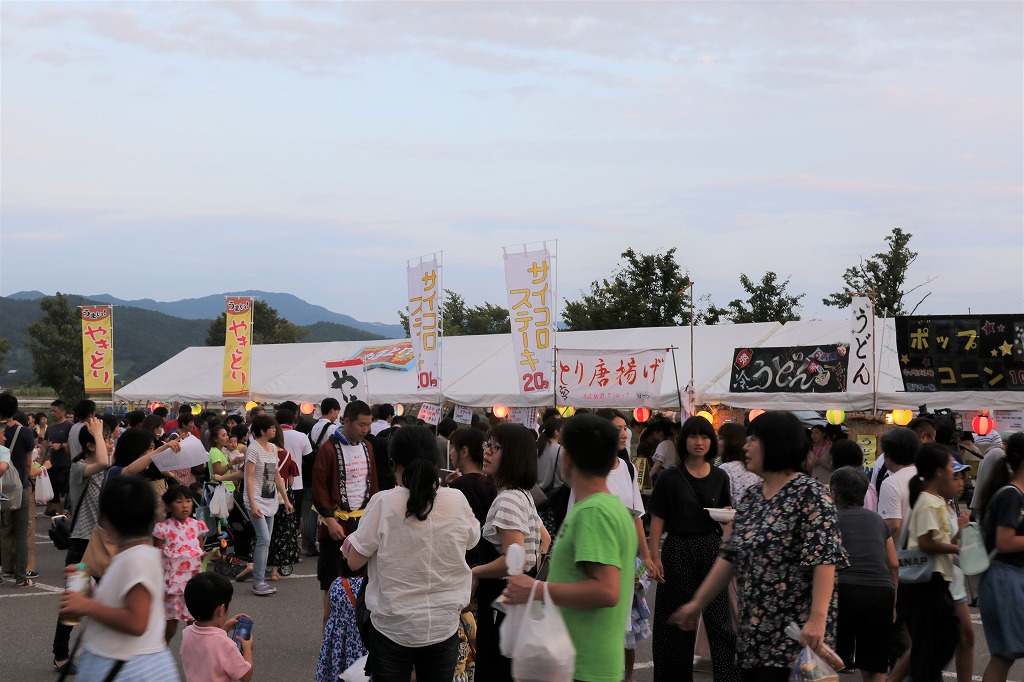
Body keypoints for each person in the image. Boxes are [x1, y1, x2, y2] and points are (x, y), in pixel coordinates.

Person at [673, 411, 847, 682]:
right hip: (755, 638)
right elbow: (730, 556)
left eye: (753, 439)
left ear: (775, 444)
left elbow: (824, 559)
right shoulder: (754, 497)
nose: (745, 446)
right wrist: (697, 603)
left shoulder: (809, 495)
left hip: (795, 640)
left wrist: (817, 619)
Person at [504, 413, 636, 682]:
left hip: (583, 667)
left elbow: (606, 590)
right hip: (579, 663)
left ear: (567, 457)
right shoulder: (603, 507)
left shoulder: (594, 512)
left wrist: (536, 589)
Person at [344, 426, 480, 681]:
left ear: (392, 463)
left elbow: (354, 561)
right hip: (443, 623)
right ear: (437, 463)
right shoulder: (457, 500)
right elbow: (472, 540)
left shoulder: (383, 502)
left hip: (392, 626)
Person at [59, 474, 180, 681]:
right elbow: (121, 604)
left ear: (107, 519)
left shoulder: (137, 559)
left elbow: (136, 622)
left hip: (129, 669)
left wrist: (87, 606)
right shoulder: (135, 555)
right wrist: (90, 592)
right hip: (127, 665)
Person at [648, 416, 737, 682]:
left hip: (711, 546)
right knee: (676, 622)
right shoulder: (669, 476)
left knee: (720, 622)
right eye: (693, 436)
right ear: (683, 440)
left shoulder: (721, 476)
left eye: (706, 436)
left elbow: (725, 509)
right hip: (677, 549)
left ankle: (728, 677)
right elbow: (658, 517)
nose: (700, 442)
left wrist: (728, 513)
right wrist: (654, 555)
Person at [470, 423, 547, 682]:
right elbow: (543, 542)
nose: (487, 452)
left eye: (495, 447)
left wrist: (475, 572)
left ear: (514, 455)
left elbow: (517, 559)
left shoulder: (507, 500)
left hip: (501, 608)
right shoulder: (522, 496)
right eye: (487, 445)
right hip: (516, 606)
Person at [51, 417, 113, 674]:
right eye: (106, 438)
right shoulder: (80, 469)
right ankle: (61, 655)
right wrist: (97, 433)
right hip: (81, 544)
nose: (110, 443)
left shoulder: (105, 470)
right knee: (74, 603)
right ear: (90, 445)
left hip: (101, 542)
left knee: (111, 600)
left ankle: (104, 651)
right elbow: (103, 460)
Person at [900, 443, 965, 682]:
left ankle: (923, 675)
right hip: (927, 582)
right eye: (950, 467)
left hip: (938, 579)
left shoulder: (935, 500)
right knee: (930, 642)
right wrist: (957, 547)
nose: (954, 472)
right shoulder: (928, 501)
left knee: (947, 634)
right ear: (939, 472)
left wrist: (958, 538)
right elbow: (926, 543)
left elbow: (938, 540)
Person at [312, 400, 380, 629]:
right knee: (333, 585)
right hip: (337, 523)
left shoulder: (367, 447)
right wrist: (329, 520)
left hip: (363, 522)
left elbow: (373, 486)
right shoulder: (328, 449)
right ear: (347, 421)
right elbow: (319, 486)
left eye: (368, 425)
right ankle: (328, 640)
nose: (365, 429)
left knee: (365, 581)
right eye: (361, 424)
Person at [831, 466, 896, 682]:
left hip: (844, 590)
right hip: (881, 591)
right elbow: (893, 563)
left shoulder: (830, 519)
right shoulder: (877, 520)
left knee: (828, 661)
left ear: (834, 494)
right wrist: (894, 602)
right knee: (875, 665)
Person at [977, 432, 1024, 682]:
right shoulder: (1011, 495)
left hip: (1010, 577)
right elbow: (1004, 542)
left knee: (1007, 653)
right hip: (1005, 578)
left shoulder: (1016, 493)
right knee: (1005, 654)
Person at [244, 415, 293, 596]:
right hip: (255, 499)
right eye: (271, 428)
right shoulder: (253, 449)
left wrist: (286, 500)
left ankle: (260, 580)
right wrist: (252, 503)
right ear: (262, 431)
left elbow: (276, 476)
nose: (275, 430)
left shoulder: (272, 448)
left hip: (270, 499)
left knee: (266, 540)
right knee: (263, 539)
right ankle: (258, 581)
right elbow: (248, 478)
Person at [154, 484, 208, 642]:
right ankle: (160, 653)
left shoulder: (197, 526)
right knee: (170, 625)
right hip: (171, 585)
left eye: (188, 501)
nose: (184, 505)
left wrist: (213, 555)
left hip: (192, 582)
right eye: (178, 501)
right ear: (169, 507)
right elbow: (154, 555)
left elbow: (200, 552)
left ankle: (194, 654)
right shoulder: (162, 529)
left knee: (194, 623)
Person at [180, 573, 254, 682]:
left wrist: (225, 628)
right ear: (221, 609)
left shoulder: (187, 633)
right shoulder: (226, 645)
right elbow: (245, 675)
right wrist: (247, 649)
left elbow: (208, 643)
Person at [0, 393, 37, 588]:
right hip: (18, 485)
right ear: (15, 409)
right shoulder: (25, 433)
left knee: (2, 530)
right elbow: (28, 465)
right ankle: (21, 577)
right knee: (22, 531)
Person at [446, 426, 496, 566]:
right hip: (489, 556)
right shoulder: (492, 483)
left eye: (453, 447)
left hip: (467, 557)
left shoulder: (458, 487)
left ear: (464, 451)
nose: (451, 453)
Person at [317, 561, 368, 682]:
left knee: (336, 669)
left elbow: (326, 616)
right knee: (359, 671)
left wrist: (326, 639)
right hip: (359, 638)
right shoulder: (366, 585)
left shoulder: (336, 583)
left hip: (336, 639)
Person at [267, 418, 299, 582]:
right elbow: (291, 482)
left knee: (266, 533)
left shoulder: (262, 452)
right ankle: (275, 570)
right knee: (281, 533)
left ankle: (260, 564)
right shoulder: (287, 455)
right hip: (283, 496)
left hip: (264, 496)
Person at [878, 426, 921, 536]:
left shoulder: (891, 483)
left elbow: (892, 524)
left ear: (889, 454)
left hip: (900, 551)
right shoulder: (925, 476)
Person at [717, 421, 760, 512]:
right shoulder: (754, 467)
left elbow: (722, 503)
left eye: (720, 438)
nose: (717, 441)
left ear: (730, 442)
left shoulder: (725, 469)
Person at [42, 399, 73, 516]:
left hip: (66, 465)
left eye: (55, 411)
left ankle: (67, 517)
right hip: (52, 465)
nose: (52, 413)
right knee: (53, 494)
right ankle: (61, 517)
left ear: (63, 412)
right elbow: (45, 444)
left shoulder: (70, 426)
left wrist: (60, 445)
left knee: (66, 495)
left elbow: (74, 444)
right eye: (51, 411)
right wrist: (41, 462)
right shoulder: (50, 427)